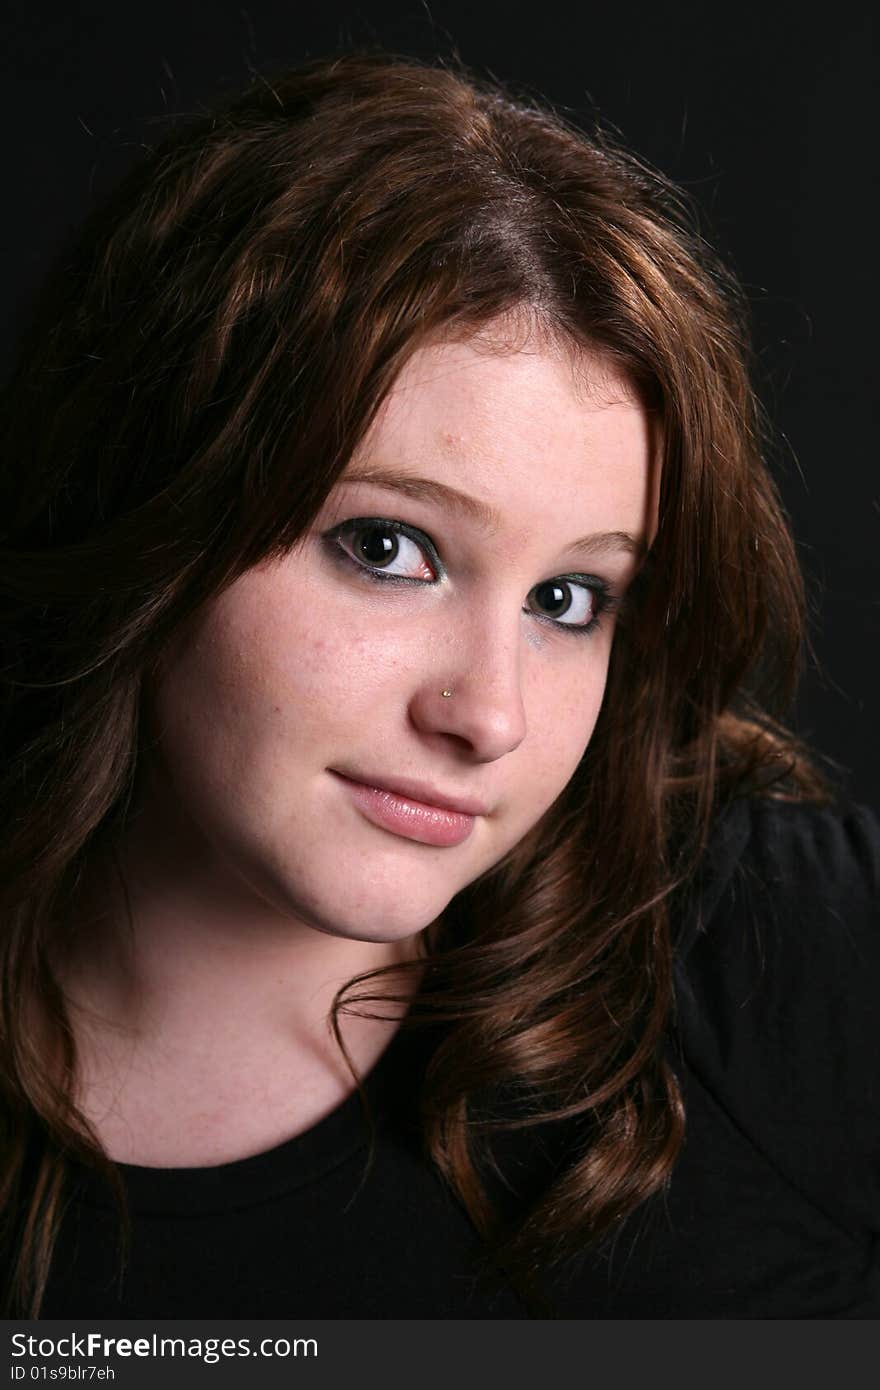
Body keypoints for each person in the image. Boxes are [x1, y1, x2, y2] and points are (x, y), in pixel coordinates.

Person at [0, 51, 876, 1321]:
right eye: (387, 548)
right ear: (152, 501)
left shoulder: (763, 963)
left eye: (568, 601)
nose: (490, 716)